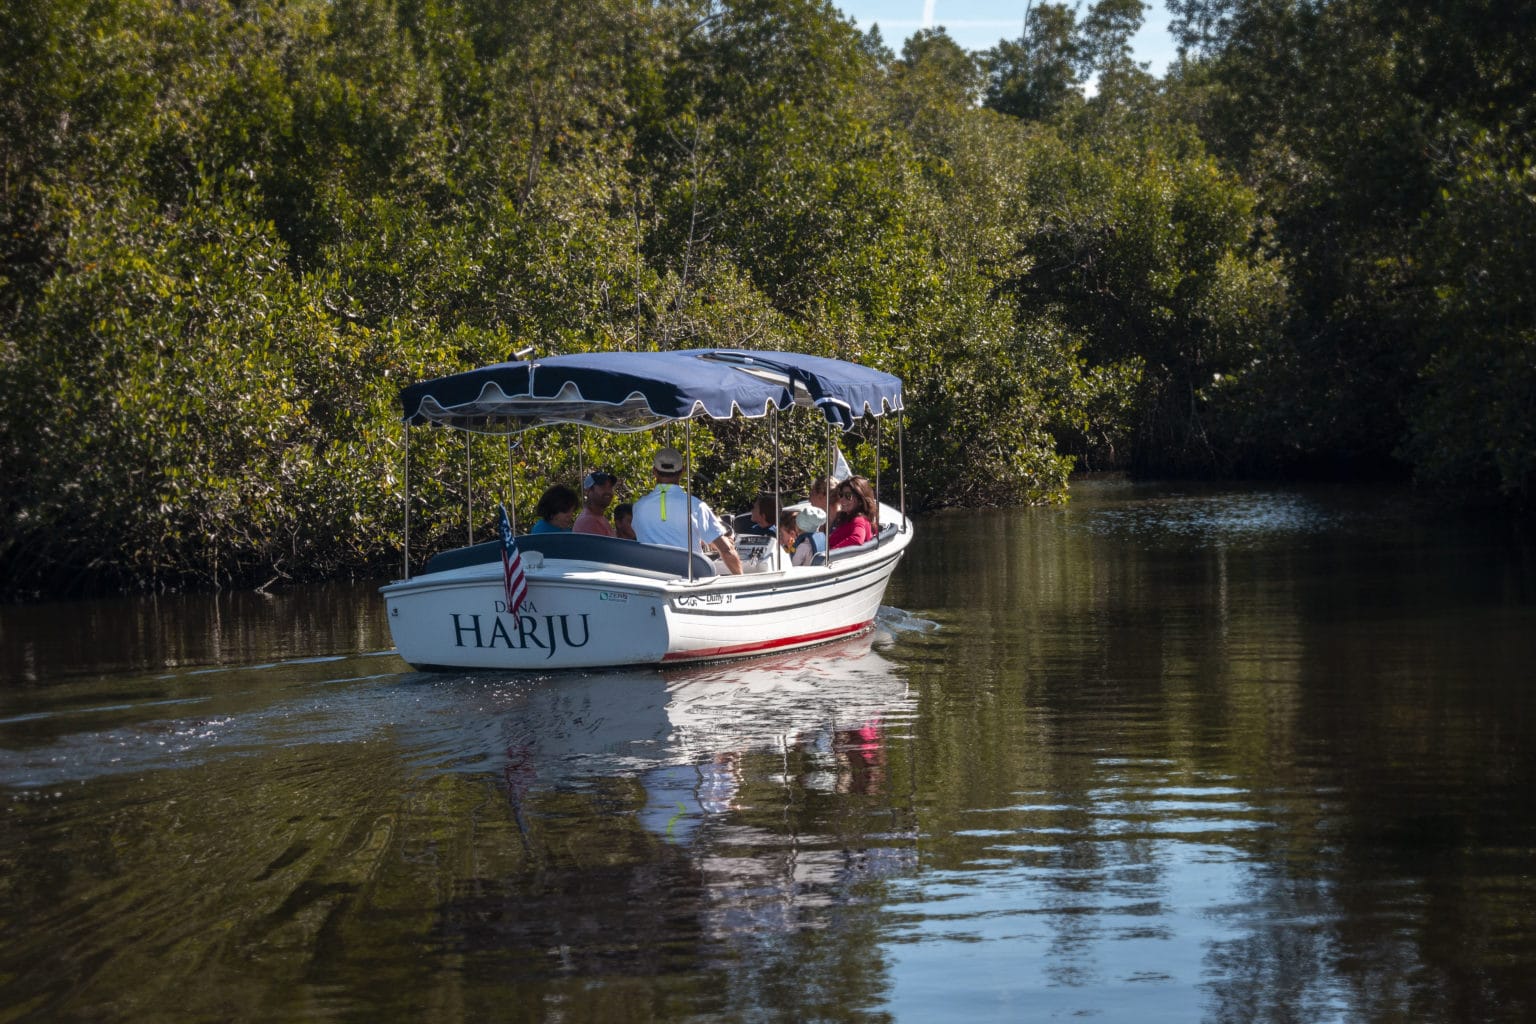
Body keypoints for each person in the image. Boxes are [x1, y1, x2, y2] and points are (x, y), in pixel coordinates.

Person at [631, 446, 743, 574]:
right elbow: (727, 551)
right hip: (689, 580)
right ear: (683, 471)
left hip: (651, 580)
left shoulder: (638, 507)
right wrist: (742, 579)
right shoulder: (696, 506)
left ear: (654, 472)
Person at [828, 475, 878, 549]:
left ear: (860, 500)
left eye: (848, 496)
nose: (841, 500)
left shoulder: (859, 520)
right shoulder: (849, 517)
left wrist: (831, 553)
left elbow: (857, 539)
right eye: (841, 495)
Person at [573, 471, 618, 536]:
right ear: (588, 491)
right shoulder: (588, 522)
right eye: (603, 487)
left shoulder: (599, 517)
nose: (608, 491)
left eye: (610, 487)